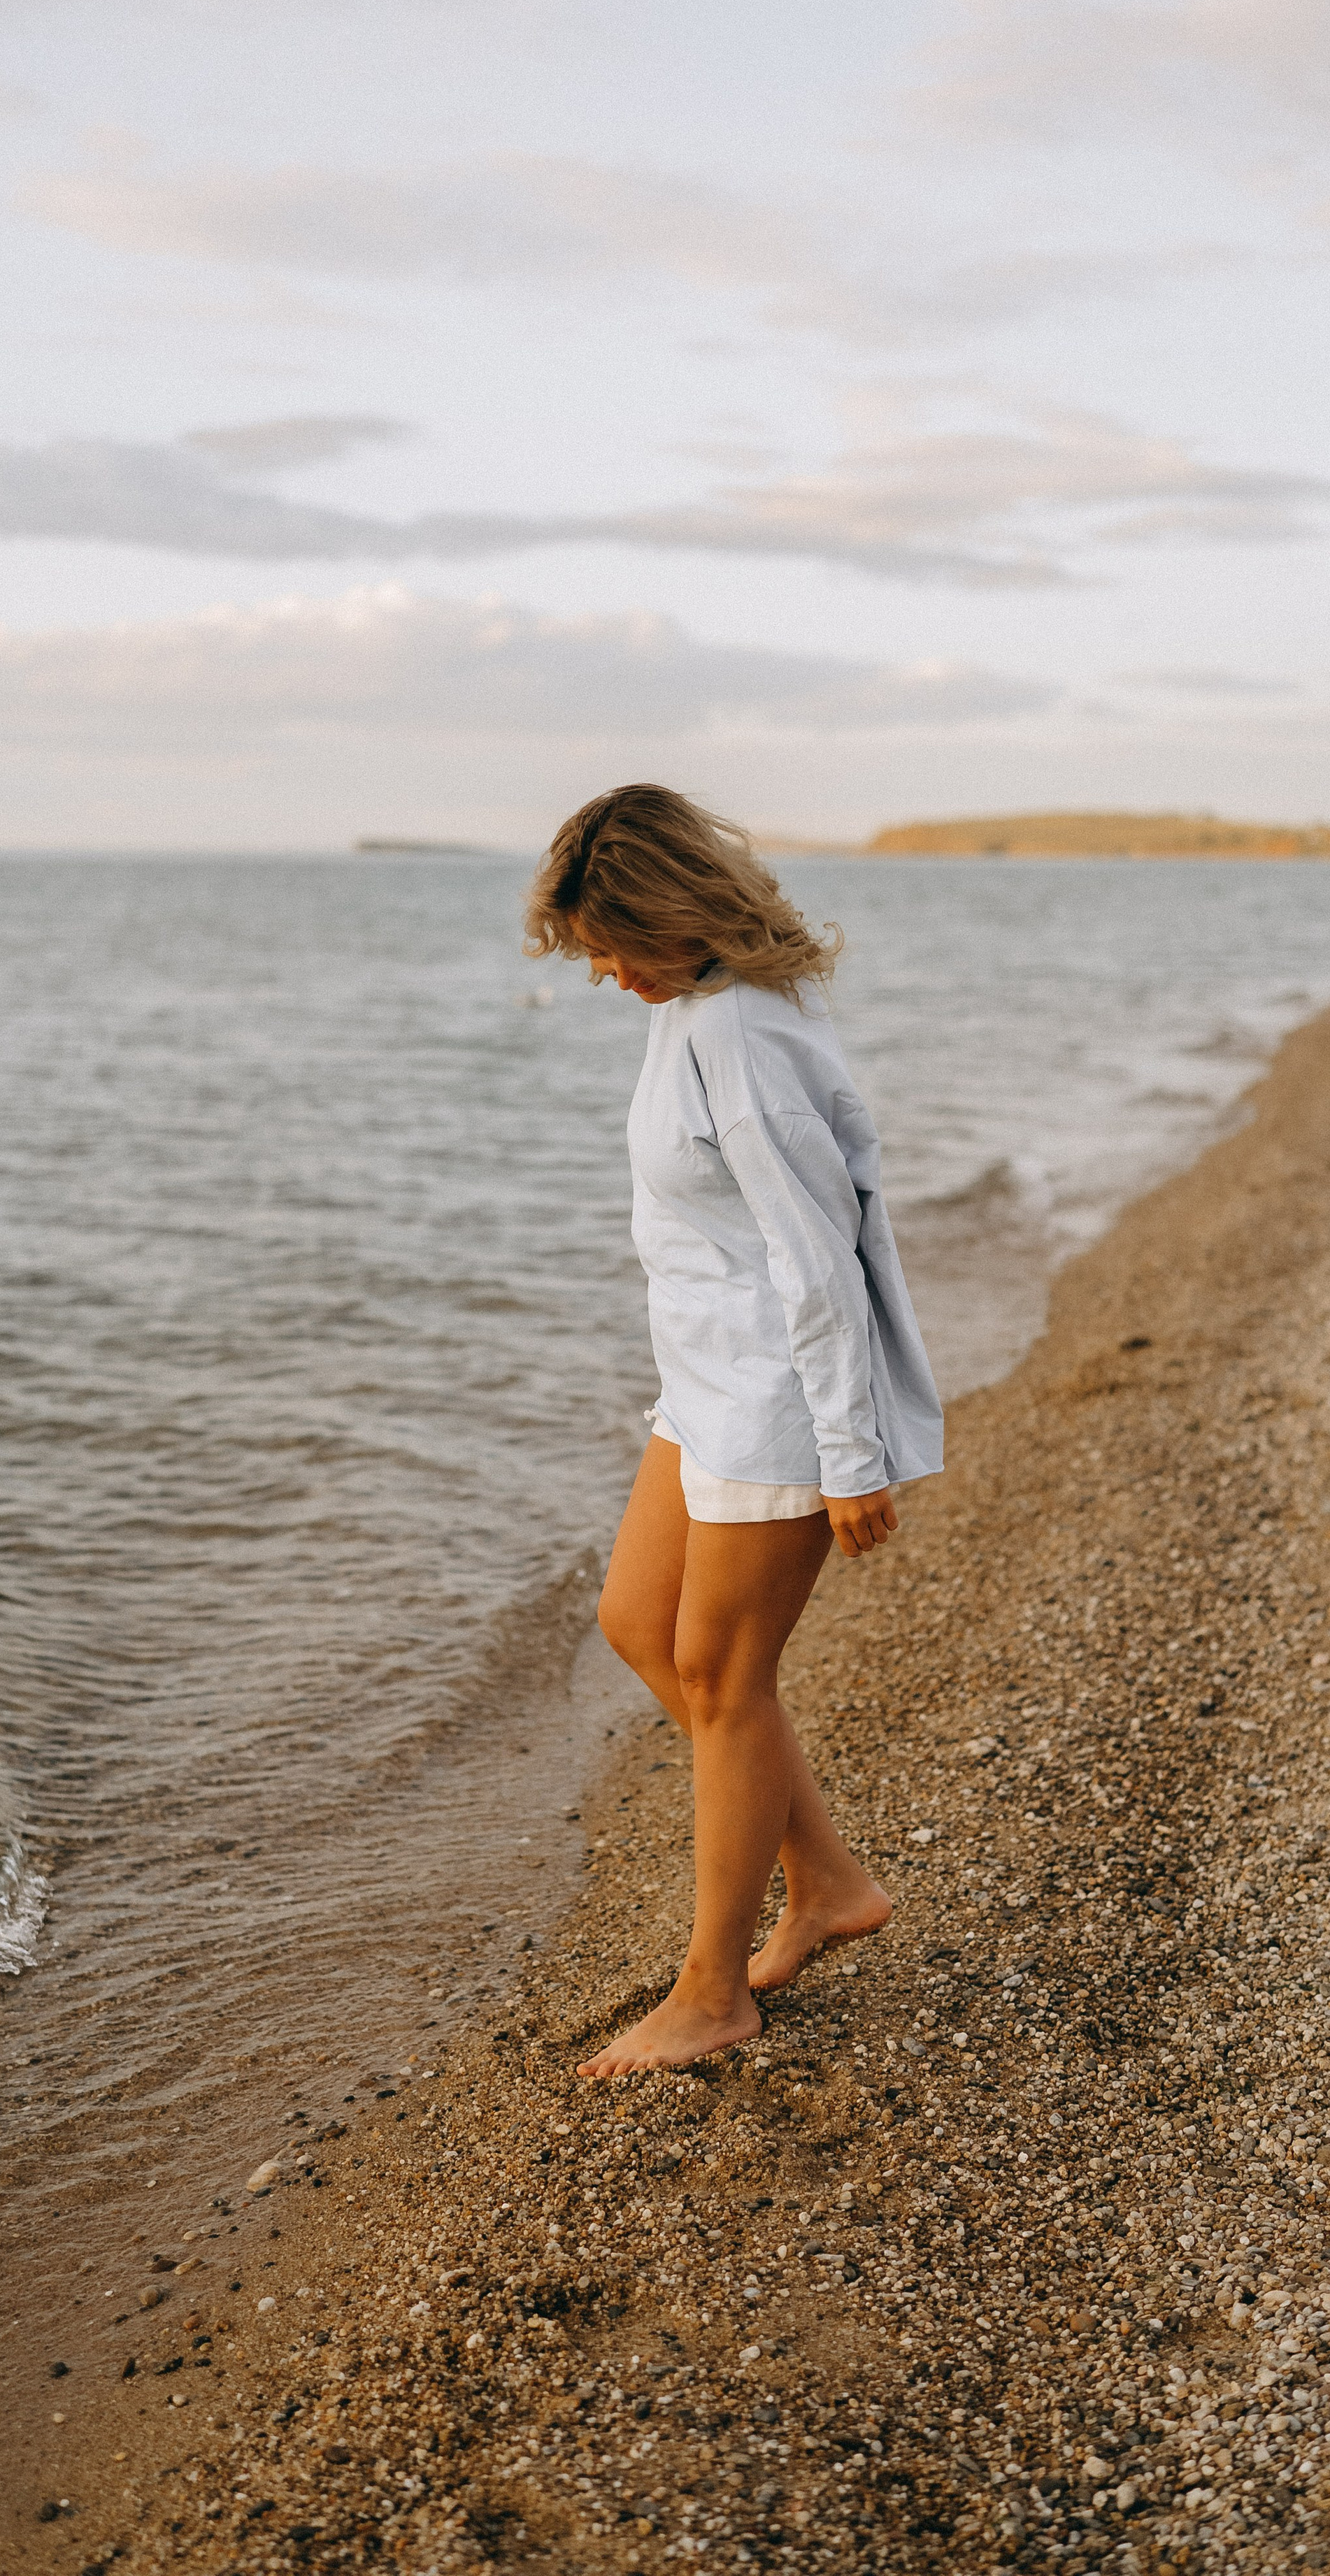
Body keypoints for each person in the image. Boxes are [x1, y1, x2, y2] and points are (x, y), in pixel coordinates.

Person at [523, 784, 944, 2078]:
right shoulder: (696, 1008)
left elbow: (818, 1258)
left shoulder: (745, 1039)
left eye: (612, 945)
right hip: (704, 1381)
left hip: (779, 1396)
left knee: (722, 1675)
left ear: (671, 912)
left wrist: (850, 1455)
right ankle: (827, 1883)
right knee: (638, 1626)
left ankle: (712, 1993)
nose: (604, 974)